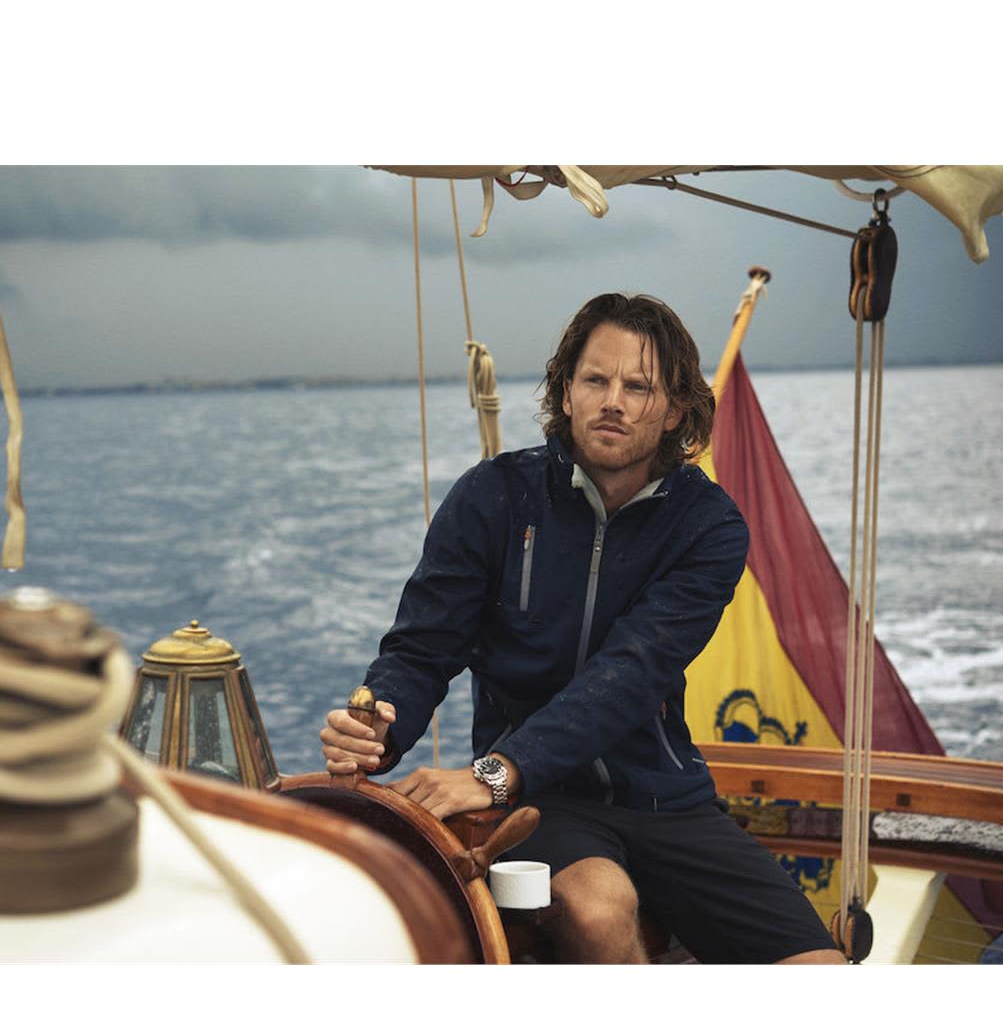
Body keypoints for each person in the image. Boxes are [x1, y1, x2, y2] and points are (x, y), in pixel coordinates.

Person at [319, 292, 843, 964]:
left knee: (821, 966)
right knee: (600, 910)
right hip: (541, 801)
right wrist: (381, 724)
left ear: (676, 409)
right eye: (595, 380)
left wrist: (495, 772)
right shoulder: (493, 496)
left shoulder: (709, 526)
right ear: (566, 393)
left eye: (638, 386)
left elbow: (631, 675)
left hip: (665, 797)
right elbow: (423, 648)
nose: (612, 402)